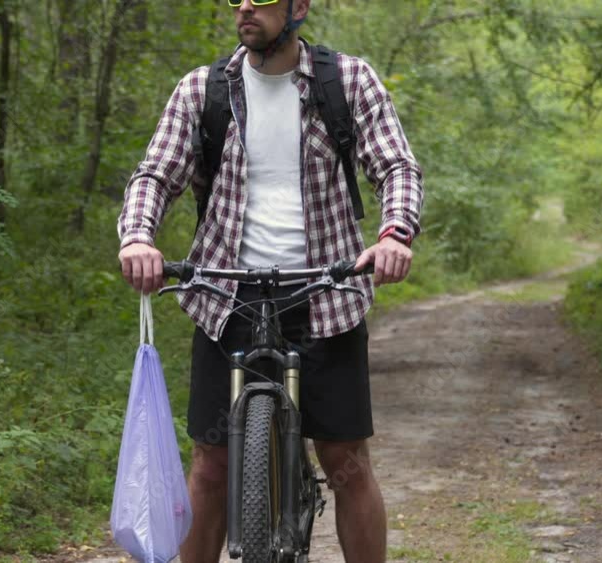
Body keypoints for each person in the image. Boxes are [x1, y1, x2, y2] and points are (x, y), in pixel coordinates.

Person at [116, 0, 422, 560]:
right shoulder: (202, 89)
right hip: (226, 294)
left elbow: (396, 165)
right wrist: (137, 236)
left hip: (327, 291)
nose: (245, 7)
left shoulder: (348, 81)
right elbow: (155, 174)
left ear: (298, 7)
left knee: (347, 462)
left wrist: (394, 233)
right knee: (211, 465)